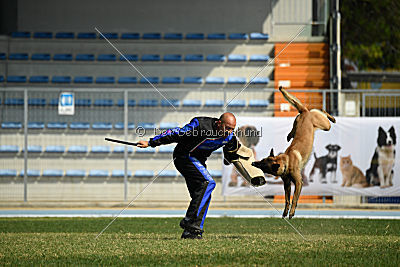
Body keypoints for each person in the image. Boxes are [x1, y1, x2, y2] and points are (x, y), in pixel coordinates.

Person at [137, 112, 238, 239]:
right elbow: (176, 133)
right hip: (184, 157)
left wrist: (232, 158)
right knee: (207, 183)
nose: (229, 131)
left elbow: (231, 154)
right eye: (227, 128)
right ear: (219, 123)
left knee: (202, 193)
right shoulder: (200, 125)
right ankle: (190, 223)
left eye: (232, 129)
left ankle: (191, 233)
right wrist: (151, 142)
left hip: (198, 161)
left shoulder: (229, 137)